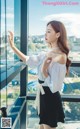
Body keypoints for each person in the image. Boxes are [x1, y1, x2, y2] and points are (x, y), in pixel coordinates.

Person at [8, 20, 71, 129]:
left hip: (50, 97)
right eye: (45, 31)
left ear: (58, 34)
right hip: (43, 95)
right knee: (41, 127)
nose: (45, 34)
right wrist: (13, 47)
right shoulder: (46, 53)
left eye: (49, 31)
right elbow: (28, 60)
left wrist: (44, 71)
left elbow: (55, 87)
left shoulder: (61, 56)